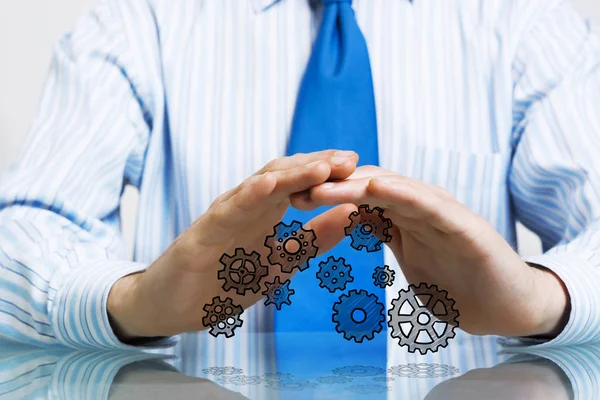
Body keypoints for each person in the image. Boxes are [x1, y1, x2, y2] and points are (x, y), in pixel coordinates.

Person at [0, 0, 599, 356]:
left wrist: (542, 297)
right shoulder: (143, 18)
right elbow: (22, 233)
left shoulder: (528, 21)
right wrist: (131, 302)